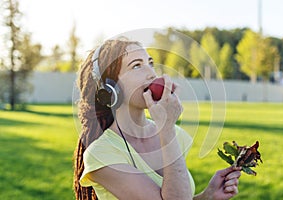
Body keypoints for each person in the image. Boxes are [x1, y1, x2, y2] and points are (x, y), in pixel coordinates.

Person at [73, 38, 241, 200]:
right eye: (137, 66)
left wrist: (207, 197)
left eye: (151, 63)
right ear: (110, 88)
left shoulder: (176, 134)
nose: (152, 74)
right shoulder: (101, 154)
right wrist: (166, 127)